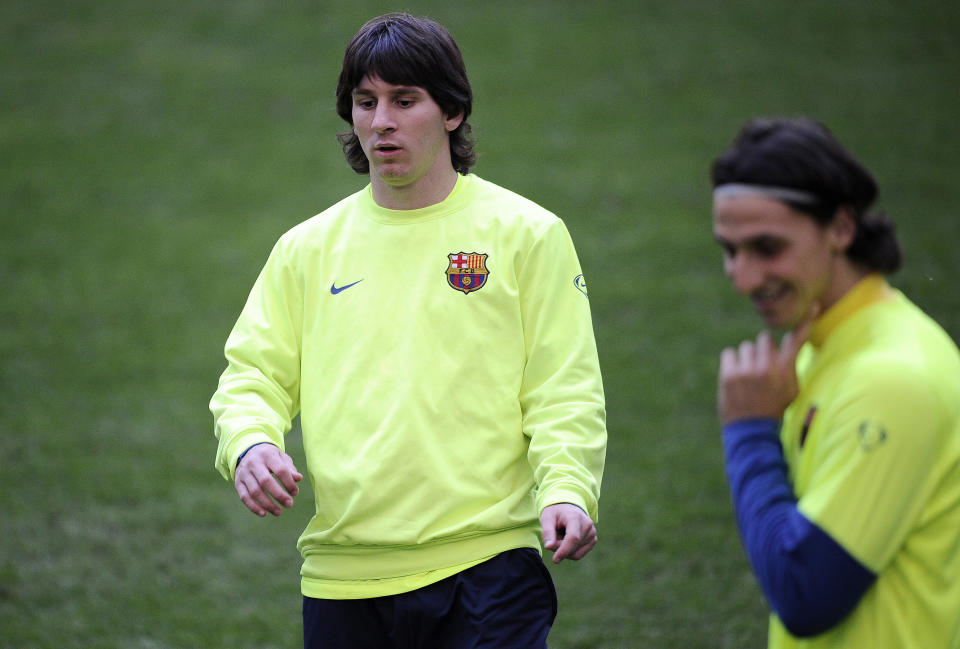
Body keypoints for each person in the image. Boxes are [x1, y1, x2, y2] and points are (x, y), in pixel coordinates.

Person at [209, 12, 607, 649]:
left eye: (404, 100)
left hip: (489, 565)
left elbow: (563, 386)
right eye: (365, 103)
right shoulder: (305, 250)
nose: (381, 121)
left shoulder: (528, 235)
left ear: (450, 111)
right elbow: (253, 374)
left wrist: (567, 489)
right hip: (344, 577)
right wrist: (251, 442)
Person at [711, 116, 960, 648]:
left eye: (767, 248)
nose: (744, 279)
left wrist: (751, 432)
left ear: (841, 229)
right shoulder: (816, 350)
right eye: (730, 251)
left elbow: (806, 592)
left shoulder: (891, 381)